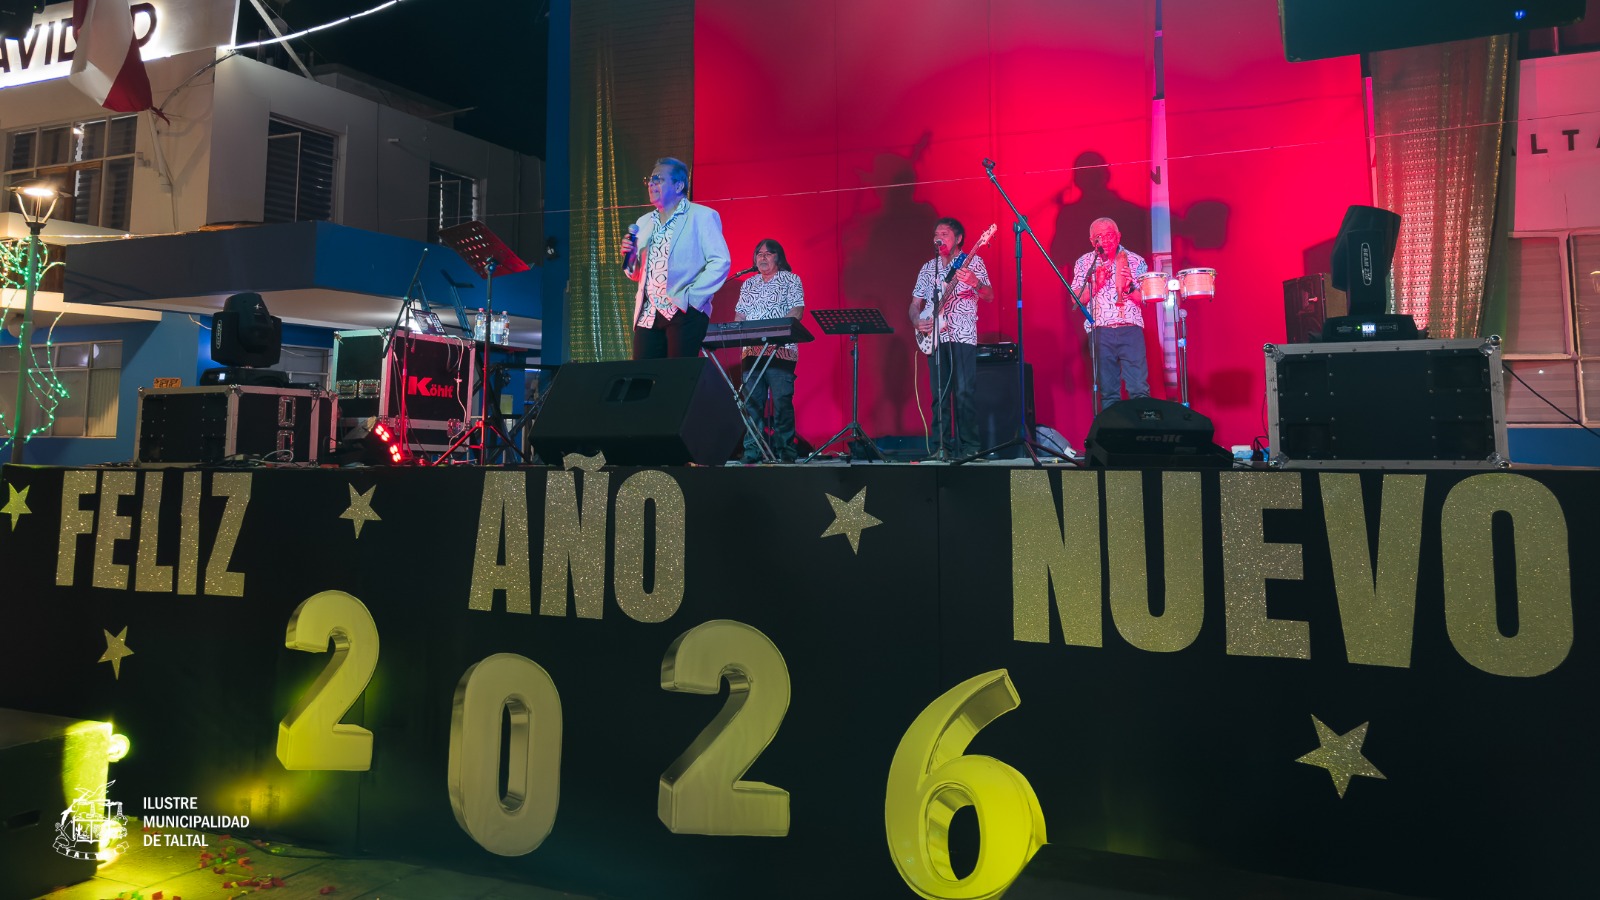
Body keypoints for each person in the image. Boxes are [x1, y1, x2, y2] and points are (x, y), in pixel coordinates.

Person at [621, 157, 731, 359]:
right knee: (642, 379)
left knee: (677, 380)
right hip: (648, 314)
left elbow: (720, 261)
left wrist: (692, 298)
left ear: (679, 185)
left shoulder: (702, 216)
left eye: (658, 179)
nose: (651, 184)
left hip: (683, 310)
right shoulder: (644, 222)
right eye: (649, 179)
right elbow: (637, 274)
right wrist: (631, 258)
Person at [909, 217, 993, 460]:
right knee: (939, 395)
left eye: (945, 234)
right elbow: (915, 304)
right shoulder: (928, 267)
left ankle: (970, 447)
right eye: (936, 233)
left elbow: (989, 295)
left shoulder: (973, 261)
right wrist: (916, 321)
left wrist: (975, 283)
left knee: (964, 393)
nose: (939, 237)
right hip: (935, 336)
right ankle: (941, 447)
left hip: (962, 335)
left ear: (958, 239)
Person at [734, 239, 805, 463]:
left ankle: (786, 451)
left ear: (778, 257)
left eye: (768, 253)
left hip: (780, 349)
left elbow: (797, 310)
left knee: (782, 401)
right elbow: (740, 315)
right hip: (752, 350)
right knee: (752, 403)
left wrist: (778, 331)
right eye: (759, 253)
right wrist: (738, 330)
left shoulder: (791, 280)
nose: (762, 257)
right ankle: (753, 451)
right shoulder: (748, 284)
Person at [1071, 217, 1149, 410]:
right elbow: (1076, 300)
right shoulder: (1084, 263)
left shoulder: (1136, 260)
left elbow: (1145, 299)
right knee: (1108, 392)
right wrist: (1096, 283)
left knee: (1139, 388)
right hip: (1100, 331)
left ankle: (1143, 434)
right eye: (1099, 237)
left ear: (1119, 236)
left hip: (1130, 328)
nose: (1105, 241)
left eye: (1109, 235)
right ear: (1091, 241)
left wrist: (1130, 288)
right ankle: (1113, 437)